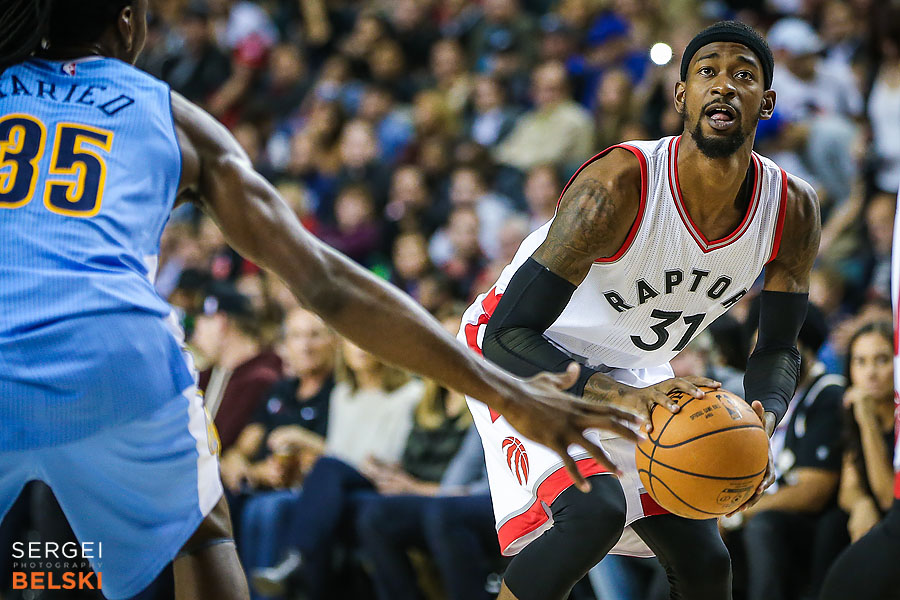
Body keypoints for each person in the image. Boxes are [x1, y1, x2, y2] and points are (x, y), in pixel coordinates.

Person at [0, 2, 644, 600]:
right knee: (206, 537)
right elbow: (326, 283)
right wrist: (507, 393)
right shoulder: (167, 114)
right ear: (130, 23)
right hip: (114, 350)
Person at [458, 21, 821, 600]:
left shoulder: (792, 208)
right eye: (707, 73)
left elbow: (777, 347)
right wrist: (623, 399)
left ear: (767, 102)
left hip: (635, 366)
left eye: (743, 76)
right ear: (681, 96)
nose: (723, 86)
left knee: (705, 561)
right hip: (522, 352)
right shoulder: (618, 184)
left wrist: (761, 426)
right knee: (593, 513)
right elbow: (508, 333)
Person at [818, 203, 900, 600]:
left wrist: (868, 422)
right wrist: (861, 502)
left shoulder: (885, 416)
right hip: (877, 525)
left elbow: (890, 498)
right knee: (835, 523)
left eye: (882, 360)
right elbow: (851, 489)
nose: (869, 372)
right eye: (860, 361)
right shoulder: (851, 408)